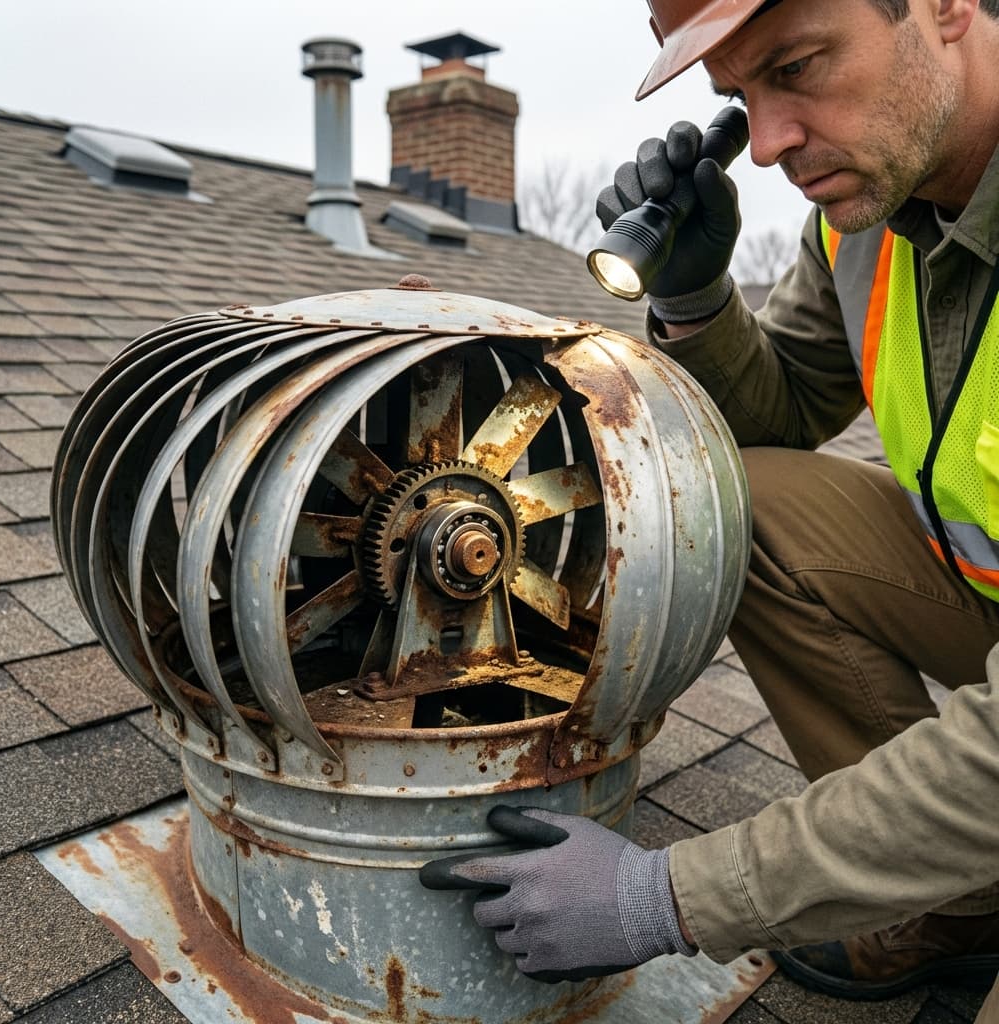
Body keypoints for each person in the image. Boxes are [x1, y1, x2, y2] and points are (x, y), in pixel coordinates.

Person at [419, 0, 999, 1018]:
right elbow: (778, 420)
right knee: (746, 509)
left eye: (800, 65)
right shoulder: (872, 218)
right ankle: (957, 900)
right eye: (739, 100)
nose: (768, 145)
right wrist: (694, 300)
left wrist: (669, 897)